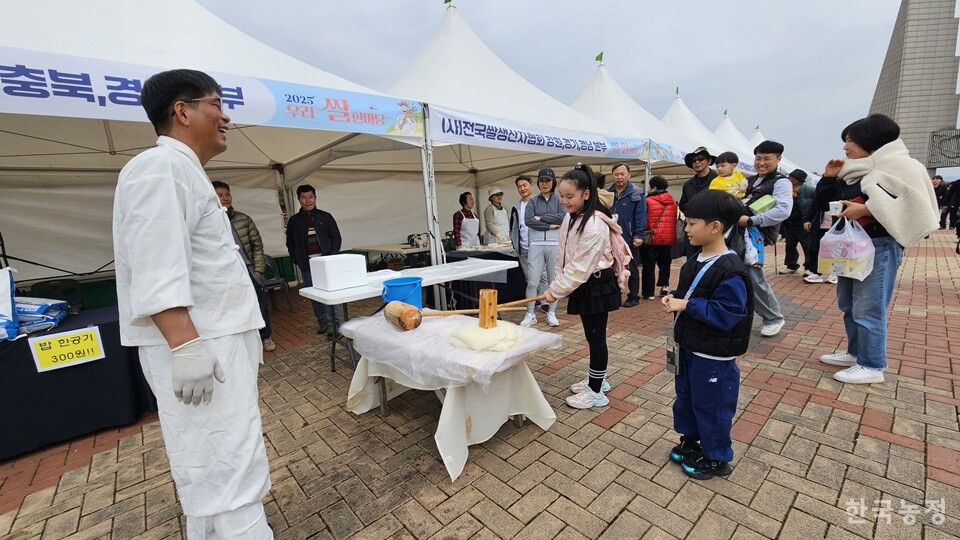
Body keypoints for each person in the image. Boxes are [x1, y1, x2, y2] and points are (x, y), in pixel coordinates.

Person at [112, 69, 273, 538]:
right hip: (202, 347)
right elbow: (154, 261)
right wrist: (185, 346)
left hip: (215, 342)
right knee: (226, 460)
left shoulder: (183, 169)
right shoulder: (160, 167)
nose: (226, 116)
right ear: (182, 111)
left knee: (213, 462)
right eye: (216, 103)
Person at [816, 114, 938, 384]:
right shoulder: (853, 170)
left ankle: (872, 365)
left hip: (880, 245)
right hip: (851, 247)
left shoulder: (904, 167)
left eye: (849, 141)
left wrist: (867, 208)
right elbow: (825, 203)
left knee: (869, 308)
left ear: (868, 140)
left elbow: (913, 205)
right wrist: (828, 178)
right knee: (848, 303)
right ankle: (855, 352)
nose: (845, 148)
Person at [663, 189, 754, 480]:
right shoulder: (696, 259)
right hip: (690, 345)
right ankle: (691, 440)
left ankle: (716, 457)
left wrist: (686, 304)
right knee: (687, 397)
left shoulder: (731, 269)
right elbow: (689, 293)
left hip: (713, 355)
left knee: (713, 405)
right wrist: (674, 298)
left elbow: (726, 314)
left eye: (691, 223)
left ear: (714, 227)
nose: (686, 229)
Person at [543, 164, 622, 408]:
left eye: (570, 197)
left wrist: (554, 292)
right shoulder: (570, 217)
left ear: (586, 194)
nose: (565, 202)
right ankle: (597, 379)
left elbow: (580, 267)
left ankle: (596, 391)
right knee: (592, 336)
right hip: (584, 283)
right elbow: (564, 256)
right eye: (562, 197)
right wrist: (556, 283)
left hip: (597, 284)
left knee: (596, 338)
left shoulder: (595, 224)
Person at [213, 181, 276, 352]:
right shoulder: (209, 222)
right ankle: (243, 342)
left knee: (259, 305)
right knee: (233, 307)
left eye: (227, 194)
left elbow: (257, 245)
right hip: (225, 272)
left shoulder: (243, 218)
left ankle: (265, 337)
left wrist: (258, 270)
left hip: (248, 270)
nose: (225, 198)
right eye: (220, 195)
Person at [737, 140, 792, 337]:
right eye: (758, 158)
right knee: (736, 274)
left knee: (753, 276)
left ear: (778, 159)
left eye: (767, 158)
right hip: (739, 233)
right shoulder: (750, 181)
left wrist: (752, 220)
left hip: (755, 235)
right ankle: (740, 314)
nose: (761, 162)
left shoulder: (781, 182)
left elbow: (783, 210)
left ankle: (773, 317)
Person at [286, 184, 342, 335]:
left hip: (327, 263)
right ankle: (323, 321)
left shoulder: (326, 216)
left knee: (331, 293)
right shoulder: (294, 221)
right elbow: (290, 242)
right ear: (299, 199)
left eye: (310, 197)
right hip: (307, 265)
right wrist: (296, 259)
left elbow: (336, 238)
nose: (308, 200)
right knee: (315, 295)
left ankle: (335, 323)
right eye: (304, 197)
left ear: (315, 198)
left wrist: (331, 257)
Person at [523, 168, 564, 327]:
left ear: (553, 182)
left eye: (547, 180)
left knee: (554, 281)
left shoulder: (560, 200)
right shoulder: (532, 201)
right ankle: (530, 313)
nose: (544, 183)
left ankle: (552, 312)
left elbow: (563, 217)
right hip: (536, 244)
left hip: (555, 244)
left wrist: (541, 218)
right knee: (532, 281)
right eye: (542, 181)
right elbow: (528, 221)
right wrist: (549, 226)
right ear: (538, 183)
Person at [607, 163, 647, 306]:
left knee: (632, 267)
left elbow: (640, 216)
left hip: (629, 238)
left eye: (622, 174)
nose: (619, 177)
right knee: (612, 266)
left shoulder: (637, 193)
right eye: (616, 174)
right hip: (611, 237)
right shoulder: (608, 193)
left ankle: (633, 296)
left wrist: (638, 235)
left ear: (629, 175)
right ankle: (615, 294)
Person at [679, 147, 719, 260]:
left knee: (712, 261)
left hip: (712, 229)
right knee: (692, 261)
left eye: (701, 159)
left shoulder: (718, 180)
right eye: (694, 160)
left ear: (709, 161)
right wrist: (693, 209)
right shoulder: (688, 184)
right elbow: (682, 204)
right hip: (693, 230)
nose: (697, 162)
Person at [641, 176, 678, 298]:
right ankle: (665, 286)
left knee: (648, 265)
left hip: (652, 237)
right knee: (665, 262)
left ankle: (648, 293)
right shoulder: (672, 201)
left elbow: (644, 218)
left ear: (654, 187)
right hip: (668, 238)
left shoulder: (647, 201)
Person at [777, 169, 815, 276]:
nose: (788, 179)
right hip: (789, 224)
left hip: (803, 224)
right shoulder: (786, 190)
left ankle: (809, 267)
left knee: (807, 246)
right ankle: (791, 265)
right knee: (790, 246)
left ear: (796, 180)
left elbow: (817, 204)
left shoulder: (809, 190)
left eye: (791, 177)